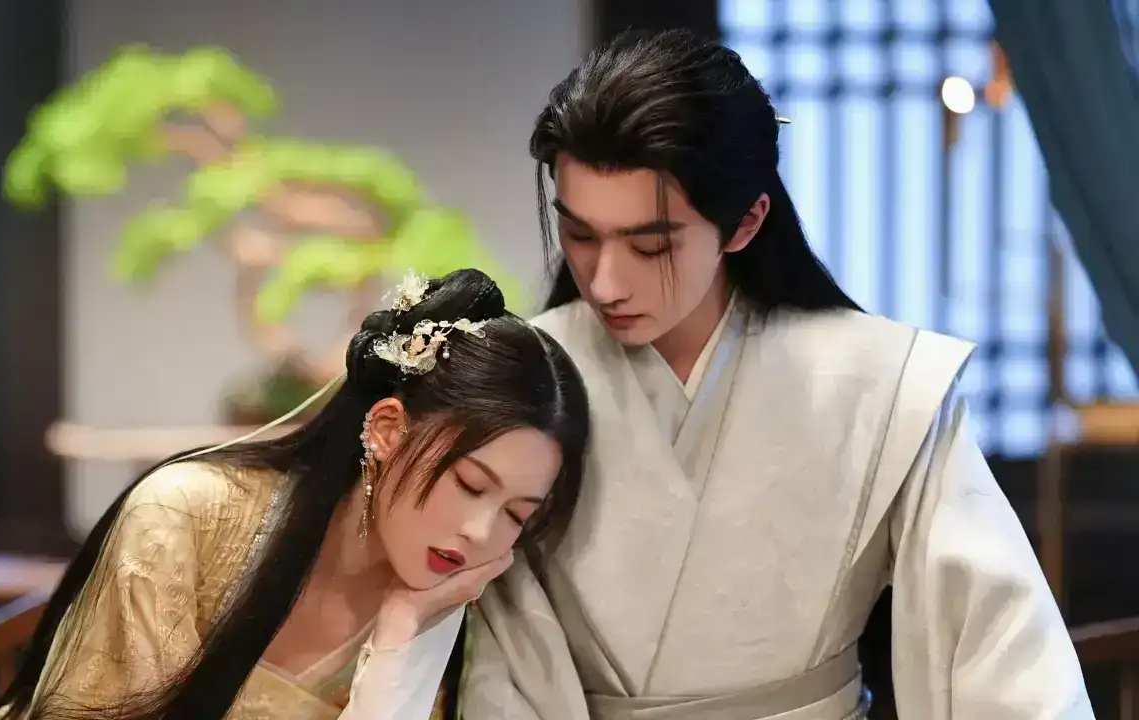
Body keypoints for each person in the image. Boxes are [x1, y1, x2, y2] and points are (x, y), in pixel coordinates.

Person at [461, 29, 1093, 719]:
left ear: (745, 221)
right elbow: (499, 655)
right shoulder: (526, 379)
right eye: (580, 235)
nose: (605, 282)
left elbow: (1000, 648)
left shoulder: (882, 383)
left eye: (650, 246)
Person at [0, 268, 591, 720]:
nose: (481, 533)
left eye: (517, 514)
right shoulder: (184, 517)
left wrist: (401, 638)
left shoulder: (458, 604)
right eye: (469, 484)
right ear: (387, 428)